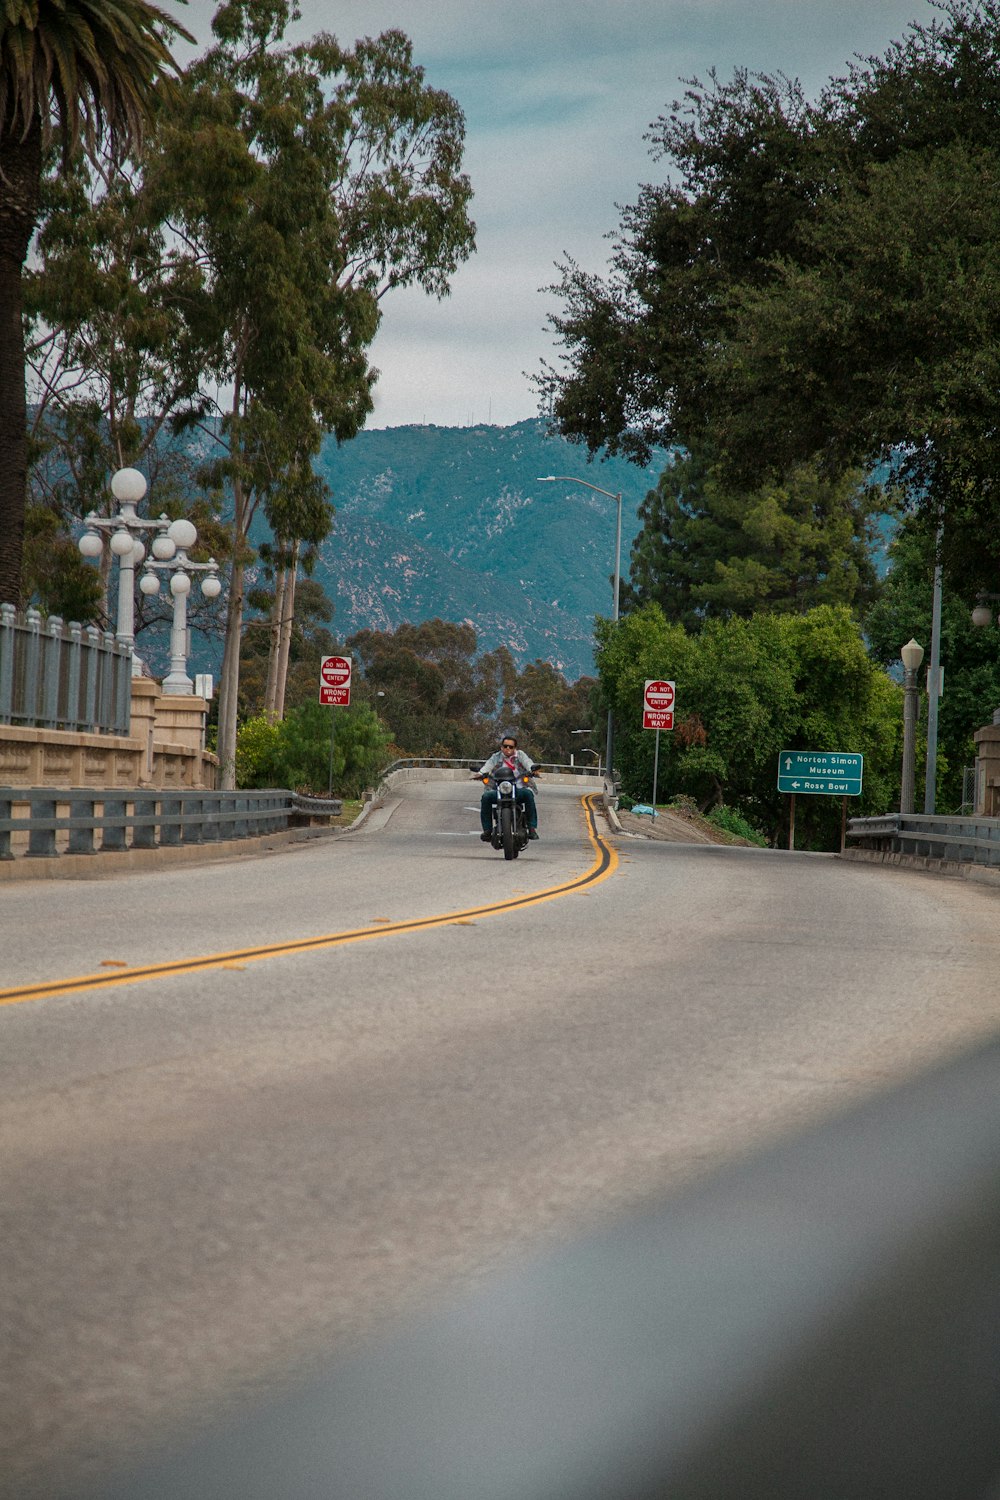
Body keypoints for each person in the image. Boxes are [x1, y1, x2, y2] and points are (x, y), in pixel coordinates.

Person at [476, 732, 539, 840]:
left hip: (518, 788)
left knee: (528, 795)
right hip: (499, 789)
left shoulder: (520, 755)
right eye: (505, 746)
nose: (508, 748)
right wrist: (481, 773)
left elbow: (527, 762)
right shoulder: (496, 756)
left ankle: (532, 828)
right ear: (501, 747)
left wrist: (532, 769)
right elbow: (488, 765)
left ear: (515, 748)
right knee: (486, 797)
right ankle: (487, 830)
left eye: (511, 746)